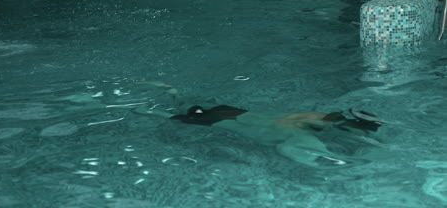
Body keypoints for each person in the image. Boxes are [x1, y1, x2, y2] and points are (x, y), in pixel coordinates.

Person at [133, 82, 384, 168]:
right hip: (222, 119)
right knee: (169, 114)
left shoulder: (307, 118)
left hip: (230, 113)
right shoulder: (301, 133)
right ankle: (165, 93)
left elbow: (335, 121)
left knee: (181, 106)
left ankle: (169, 90)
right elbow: (299, 153)